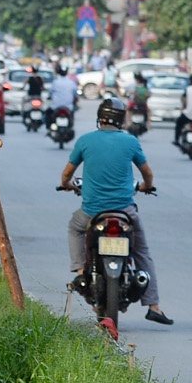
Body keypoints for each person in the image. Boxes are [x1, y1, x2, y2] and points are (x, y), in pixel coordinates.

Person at [60, 96, 171, 327]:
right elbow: (148, 174)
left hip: (92, 212)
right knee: (141, 251)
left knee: (75, 228)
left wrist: (68, 185)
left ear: (100, 117)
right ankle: (153, 305)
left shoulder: (85, 141)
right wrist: (146, 187)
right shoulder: (130, 142)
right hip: (125, 212)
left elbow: (66, 174)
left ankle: (81, 269)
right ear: (121, 120)